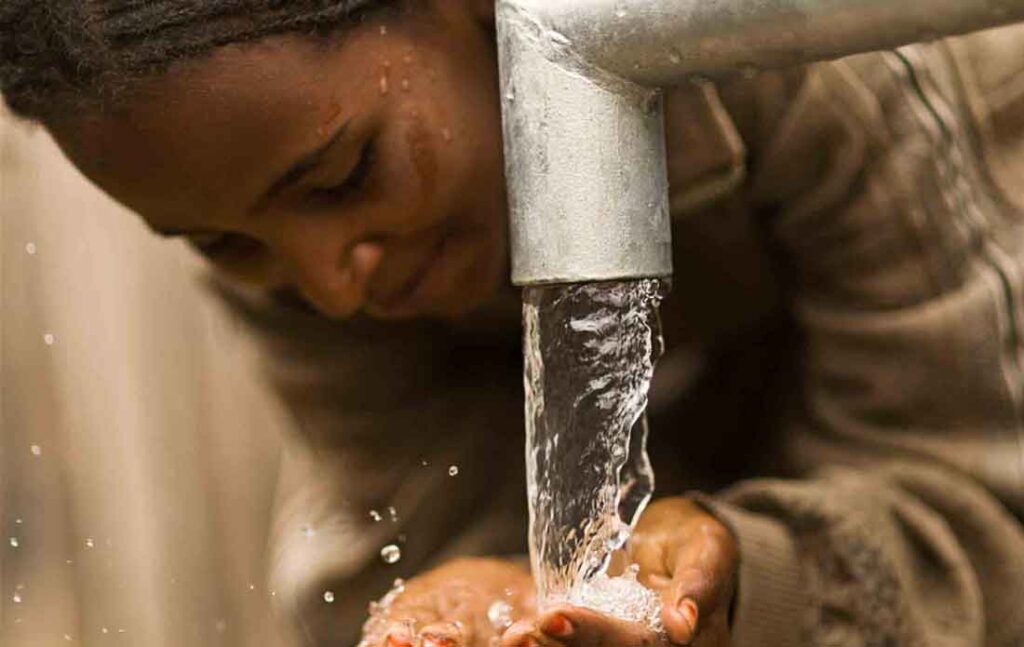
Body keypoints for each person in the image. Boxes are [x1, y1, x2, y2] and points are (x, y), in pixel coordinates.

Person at [3, 2, 1024, 646]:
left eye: (345, 176)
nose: (329, 285)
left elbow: (984, 499)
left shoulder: (801, 46)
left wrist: (749, 574)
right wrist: (490, 589)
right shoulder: (281, 252)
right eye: (221, 243)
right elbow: (413, 520)